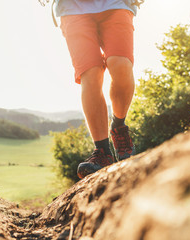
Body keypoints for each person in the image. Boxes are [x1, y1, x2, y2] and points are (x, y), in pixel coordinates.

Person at [54, 0, 141, 179]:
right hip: (72, 8)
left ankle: (119, 126)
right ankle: (102, 152)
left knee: (121, 64)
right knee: (90, 74)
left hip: (117, 4)